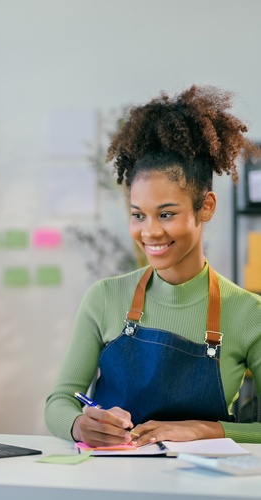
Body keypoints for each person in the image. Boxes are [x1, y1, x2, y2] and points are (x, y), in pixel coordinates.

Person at [44, 85, 261, 448]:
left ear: (205, 207)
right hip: (109, 483)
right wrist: (80, 425)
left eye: (166, 214)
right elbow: (59, 402)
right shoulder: (104, 297)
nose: (150, 232)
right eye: (138, 215)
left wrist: (201, 429)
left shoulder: (247, 313)